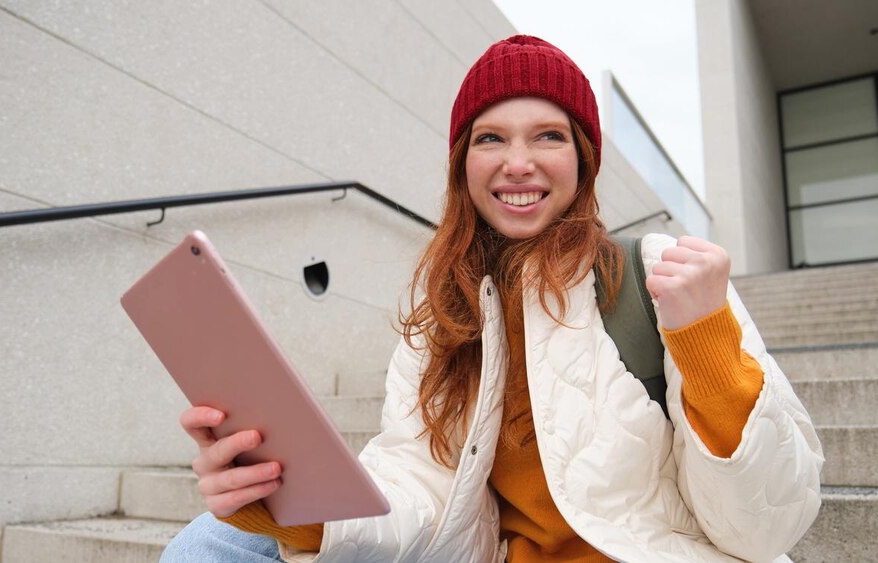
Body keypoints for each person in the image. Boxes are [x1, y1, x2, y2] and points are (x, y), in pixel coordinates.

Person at [162, 35, 823, 562]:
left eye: (548, 135)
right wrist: (290, 507)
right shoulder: (443, 317)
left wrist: (707, 344)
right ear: (463, 167)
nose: (518, 162)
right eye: (491, 138)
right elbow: (418, 487)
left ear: (584, 160)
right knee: (214, 540)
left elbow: (767, 527)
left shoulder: (660, 278)